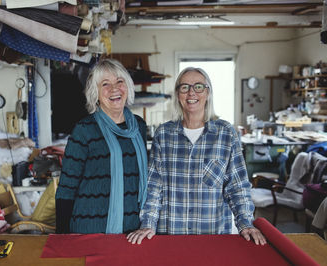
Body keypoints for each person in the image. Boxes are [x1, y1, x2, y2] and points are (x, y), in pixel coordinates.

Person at [127, 67, 266, 245]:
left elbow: (237, 186)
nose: (191, 92)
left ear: (208, 93)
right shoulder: (164, 134)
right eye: (184, 87)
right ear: (178, 94)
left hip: (212, 236)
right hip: (170, 235)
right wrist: (148, 224)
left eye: (199, 87)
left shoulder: (226, 133)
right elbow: (154, 186)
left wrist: (245, 223)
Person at [55, 58, 148, 234]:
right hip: (90, 229)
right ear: (95, 93)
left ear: (127, 86)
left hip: (134, 230)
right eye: (105, 84)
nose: (114, 89)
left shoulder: (139, 126)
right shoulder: (84, 130)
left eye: (119, 81)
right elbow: (67, 186)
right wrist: (62, 235)